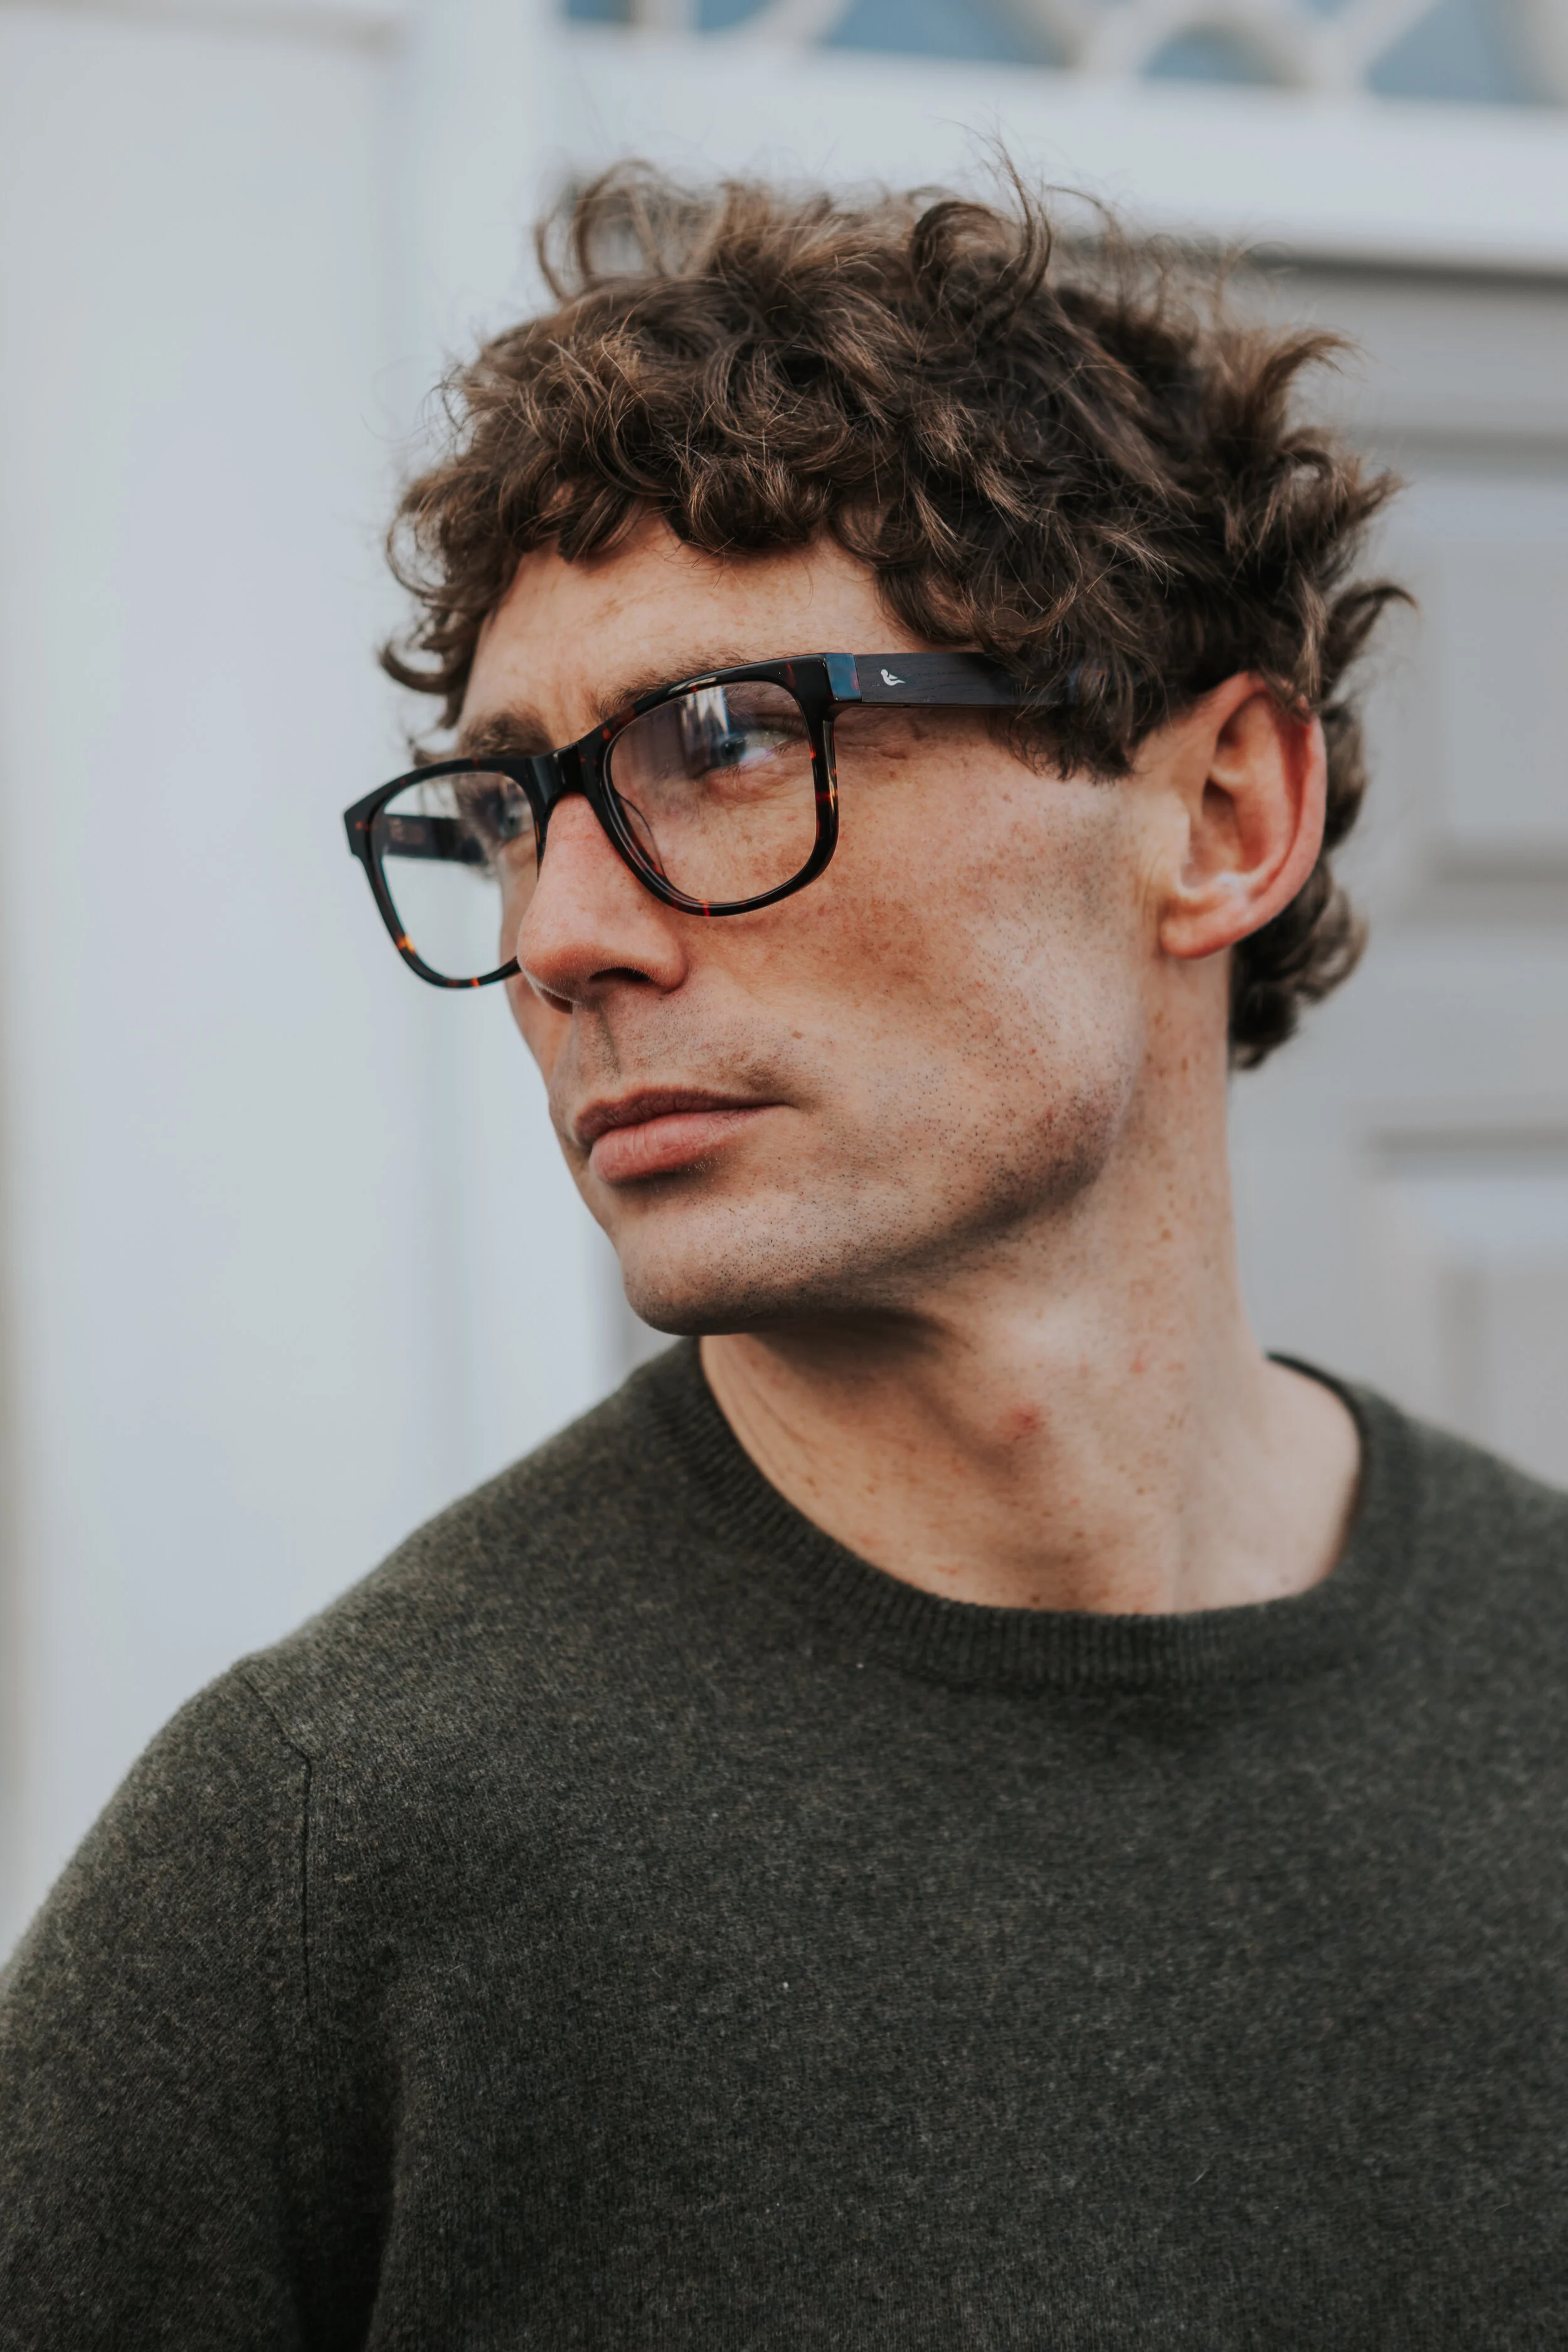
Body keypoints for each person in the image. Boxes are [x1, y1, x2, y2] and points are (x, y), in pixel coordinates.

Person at [3, 167, 1565, 2349]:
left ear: (1220, 816)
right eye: (508, 812)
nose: (560, 936)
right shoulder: (311, 1867)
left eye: (726, 741)